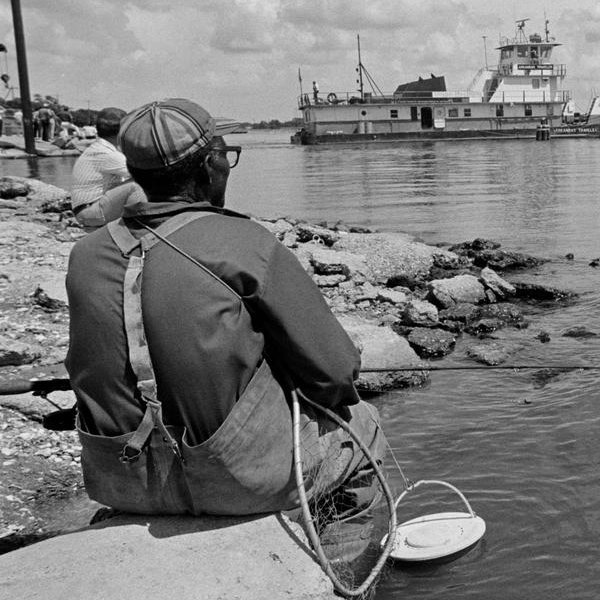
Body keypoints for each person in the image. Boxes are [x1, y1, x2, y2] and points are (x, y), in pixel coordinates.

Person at [65, 98, 384, 516]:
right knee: (365, 424)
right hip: (233, 482)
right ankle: (336, 549)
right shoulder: (245, 243)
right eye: (225, 155)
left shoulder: (85, 254)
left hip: (119, 479)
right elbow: (336, 374)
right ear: (209, 165)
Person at [68, 108, 146, 230]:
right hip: (89, 214)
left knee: (137, 181)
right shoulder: (107, 154)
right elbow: (146, 172)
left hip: (88, 210)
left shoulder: (100, 148)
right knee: (138, 184)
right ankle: (141, 224)